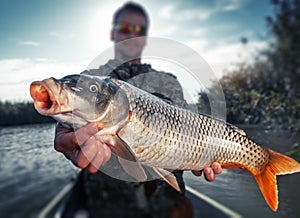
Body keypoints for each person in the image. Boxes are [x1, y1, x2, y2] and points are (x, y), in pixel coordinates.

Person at [54, 2, 222, 217]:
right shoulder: (93, 77)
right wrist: (67, 134)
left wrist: (201, 154)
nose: (131, 34)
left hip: (168, 205)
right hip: (108, 206)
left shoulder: (168, 82)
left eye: (139, 30)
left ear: (145, 37)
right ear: (112, 32)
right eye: (125, 28)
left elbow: (191, 129)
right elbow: (72, 111)